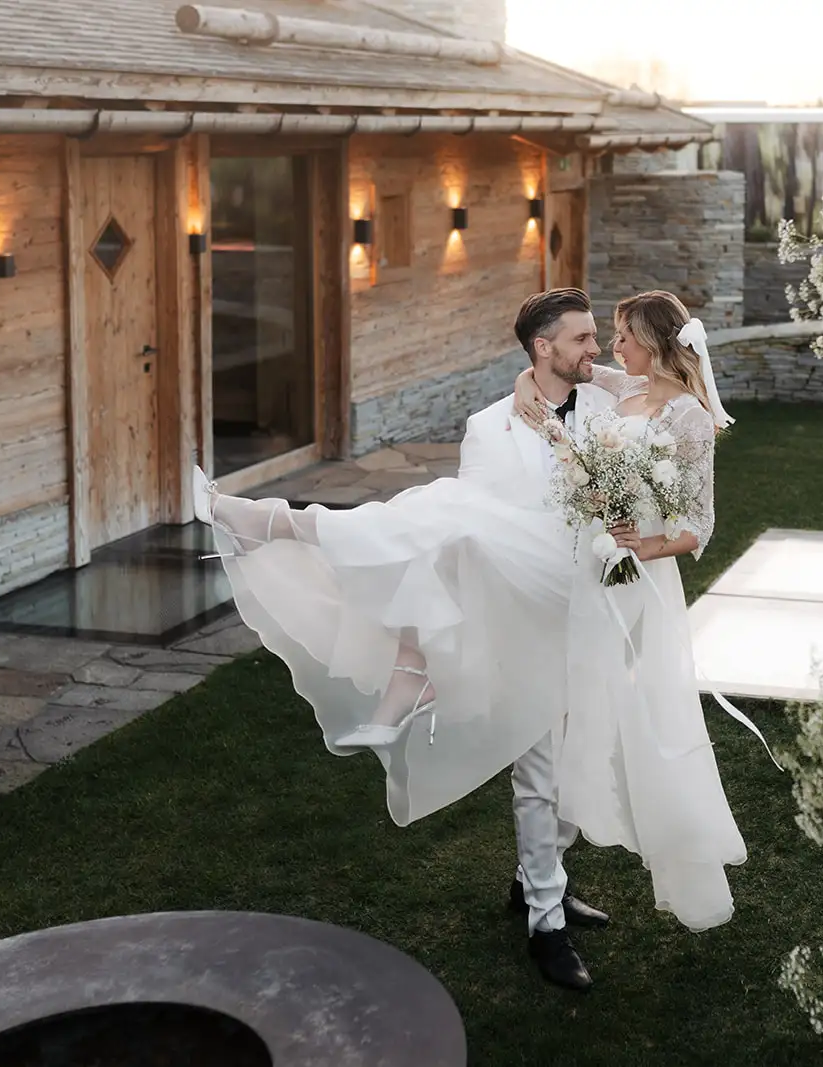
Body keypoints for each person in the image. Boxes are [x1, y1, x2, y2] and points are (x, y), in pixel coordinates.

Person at [194, 289, 615, 991]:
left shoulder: (607, 407)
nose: (594, 350)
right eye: (582, 339)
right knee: (539, 774)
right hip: (523, 618)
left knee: (579, 769)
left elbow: (661, 388)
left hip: (592, 610)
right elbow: (481, 534)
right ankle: (547, 919)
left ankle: (535, 878)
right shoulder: (487, 427)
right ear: (544, 348)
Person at [512, 290, 746, 937]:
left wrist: (648, 542)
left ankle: (576, 863)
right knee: (575, 709)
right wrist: (521, 380)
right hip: (592, 570)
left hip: (638, 579)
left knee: (628, 714)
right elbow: (553, 371)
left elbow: (700, 523)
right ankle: (543, 873)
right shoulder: (622, 389)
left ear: (653, 341)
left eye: (623, 337)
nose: (612, 349)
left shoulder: (690, 418)